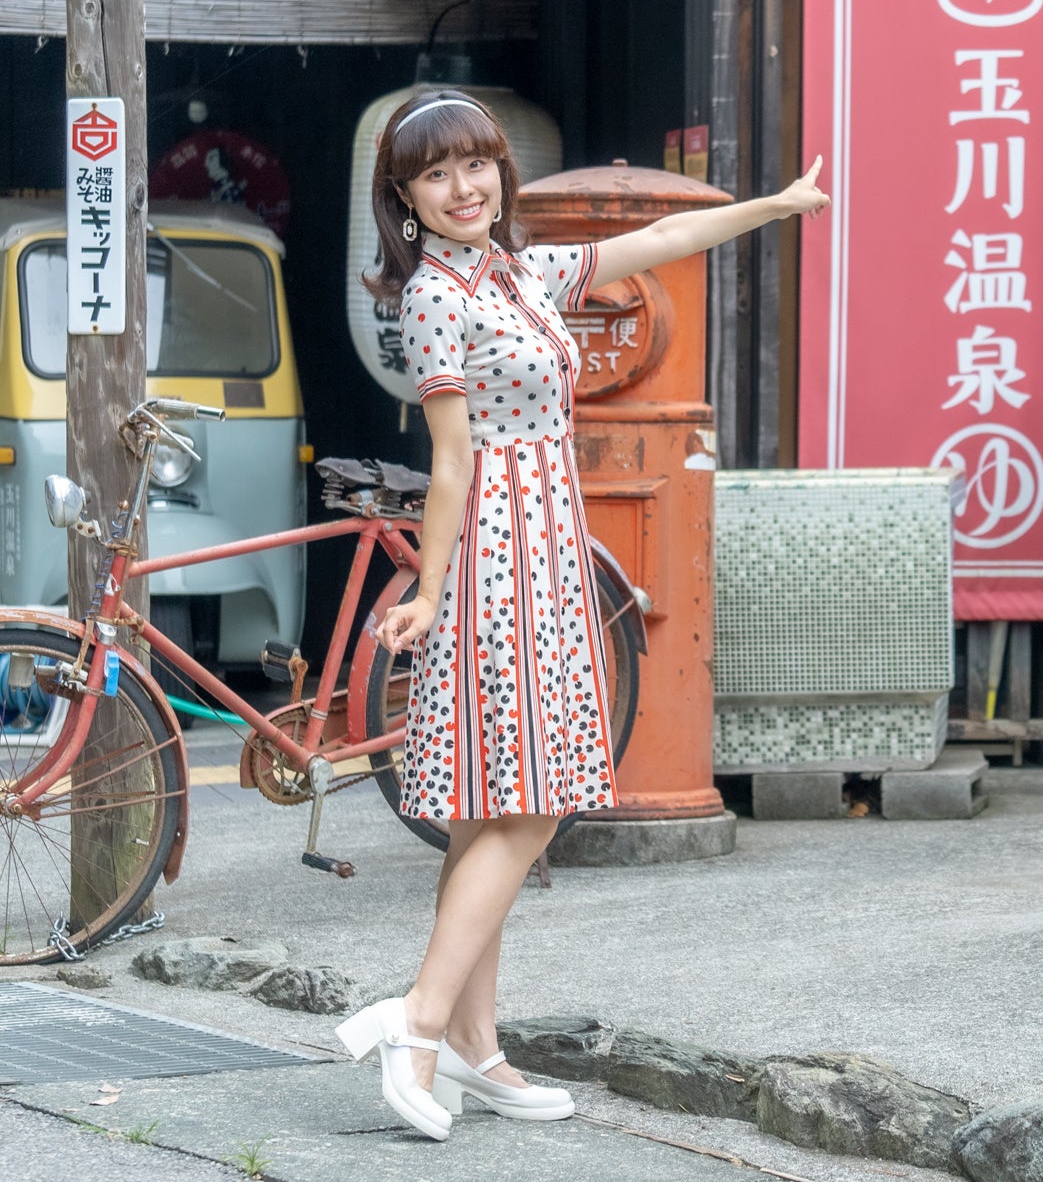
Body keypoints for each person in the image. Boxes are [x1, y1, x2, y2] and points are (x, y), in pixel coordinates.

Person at [334, 89, 829, 1140]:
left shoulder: (519, 271)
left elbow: (660, 236)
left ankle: (474, 1048)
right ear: (405, 199)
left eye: (477, 164)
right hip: (500, 556)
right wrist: (428, 587)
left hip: (549, 544)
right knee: (534, 797)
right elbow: (454, 458)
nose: (464, 187)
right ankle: (416, 1022)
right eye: (436, 174)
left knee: (489, 808)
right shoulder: (434, 296)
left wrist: (775, 206)